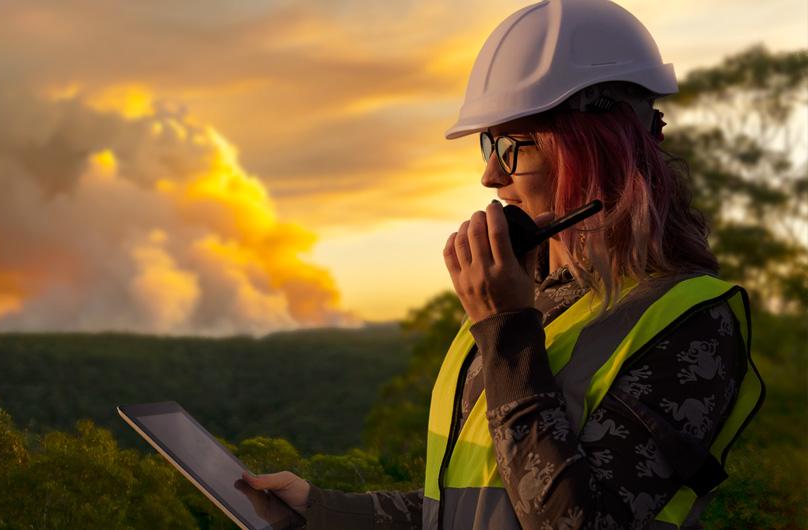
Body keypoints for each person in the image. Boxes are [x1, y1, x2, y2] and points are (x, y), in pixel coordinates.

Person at [241, 0, 765, 528]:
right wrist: (319, 510)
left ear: (604, 149)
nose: (490, 175)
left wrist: (507, 333)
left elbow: (577, 521)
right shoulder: (530, 298)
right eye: (488, 144)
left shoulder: (689, 323)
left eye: (516, 145)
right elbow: (470, 508)